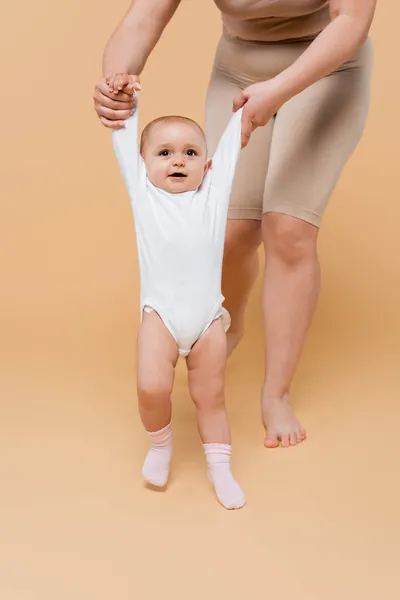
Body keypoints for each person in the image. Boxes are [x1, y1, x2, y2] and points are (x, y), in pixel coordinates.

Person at [93, 1, 377, 448]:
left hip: (328, 68)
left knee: (288, 227)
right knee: (229, 230)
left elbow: (353, 22)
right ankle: (228, 323)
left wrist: (278, 90)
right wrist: (115, 81)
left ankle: (276, 394)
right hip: (240, 68)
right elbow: (143, 17)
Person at [110, 72, 245, 509]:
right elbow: (122, 138)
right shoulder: (144, 196)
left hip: (207, 320)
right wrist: (125, 99)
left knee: (211, 397)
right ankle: (160, 444)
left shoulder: (212, 196)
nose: (178, 161)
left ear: (206, 165)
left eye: (190, 153)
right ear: (144, 164)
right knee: (151, 387)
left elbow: (230, 152)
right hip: (162, 316)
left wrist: (248, 110)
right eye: (164, 153)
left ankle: (220, 468)